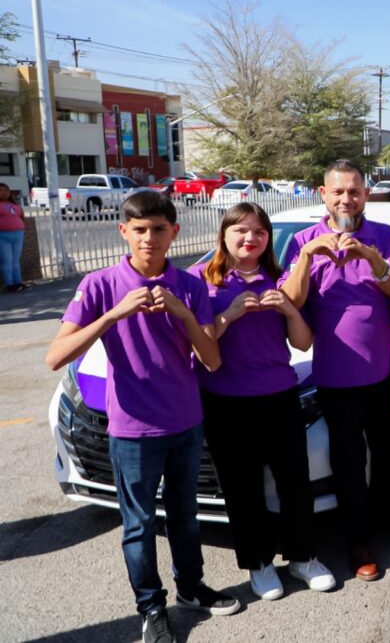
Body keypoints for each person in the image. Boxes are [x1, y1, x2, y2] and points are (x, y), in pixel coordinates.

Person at [44, 191, 239, 643]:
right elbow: (56, 356)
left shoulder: (190, 285)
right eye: (139, 230)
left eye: (157, 229)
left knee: (185, 516)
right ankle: (152, 609)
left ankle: (190, 589)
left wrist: (183, 313)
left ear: (174, 232)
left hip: (187, 423)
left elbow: (211, 360)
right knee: (138, 526)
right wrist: (115, 313)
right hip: (132, 431)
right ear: (124, 232)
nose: (148, 238)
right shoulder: (99, 284)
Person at [190, 203, 335, 600]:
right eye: (240, 230)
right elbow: (195, 346)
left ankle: (304, 557)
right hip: (225, 401)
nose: (249, 238)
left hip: (280, 396)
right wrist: (229, 316)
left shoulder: (282, 278)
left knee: (294, 481)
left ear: (267, 239)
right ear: (223, 235)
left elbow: (302, 341)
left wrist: (289, 308)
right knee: (242, 487)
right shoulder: (201, 281)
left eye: (258, 232)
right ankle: (258, 563)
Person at [279, 159, 390, 582]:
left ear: (365, 193)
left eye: (354, 190)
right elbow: (291, 303)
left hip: (385, 372)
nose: (346, 198)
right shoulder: (302, 240)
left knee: (387, 453)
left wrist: (370, 257)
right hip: (334, 379)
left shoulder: (384, 237)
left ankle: (388, 519)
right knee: (349, 464)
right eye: (338, 191)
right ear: (323, 194)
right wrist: (307, 259)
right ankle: (359, 544)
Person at [0, 182, 27, 292]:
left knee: (15, 260)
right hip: (3, 235)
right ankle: (9, 283)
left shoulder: (15, 205)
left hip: (17, 234)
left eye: (6, 190)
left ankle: (18, 281)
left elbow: (21, 217)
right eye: (1, 190)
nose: (4, 192)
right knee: (7, 260)